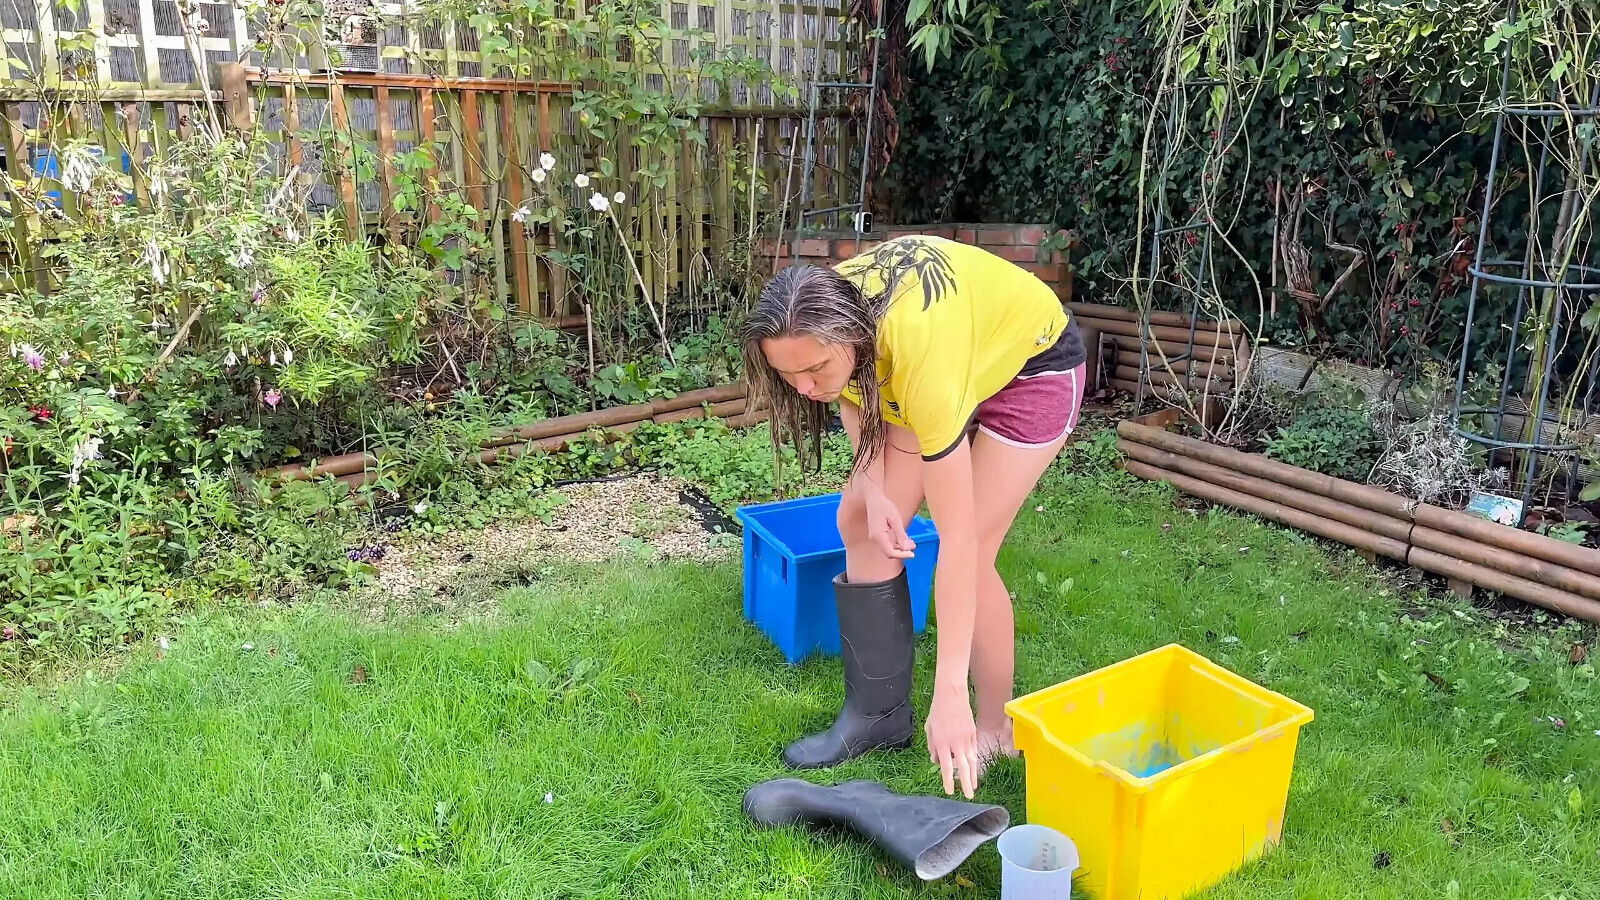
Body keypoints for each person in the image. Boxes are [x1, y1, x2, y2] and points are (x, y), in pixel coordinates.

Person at [741, 234, 1087, 799]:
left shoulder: (919, 357)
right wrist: (874, 487)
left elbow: (954, 539)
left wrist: (946, 689)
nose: (805, 389)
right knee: (858, 521)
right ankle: (879, 717)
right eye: (788, 376)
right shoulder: (819, 311)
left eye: (814, 370)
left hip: (1032, 368)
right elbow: (851, 393)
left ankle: (994, 723)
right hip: (930, 354)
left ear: (851, 339)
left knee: (973, 546)